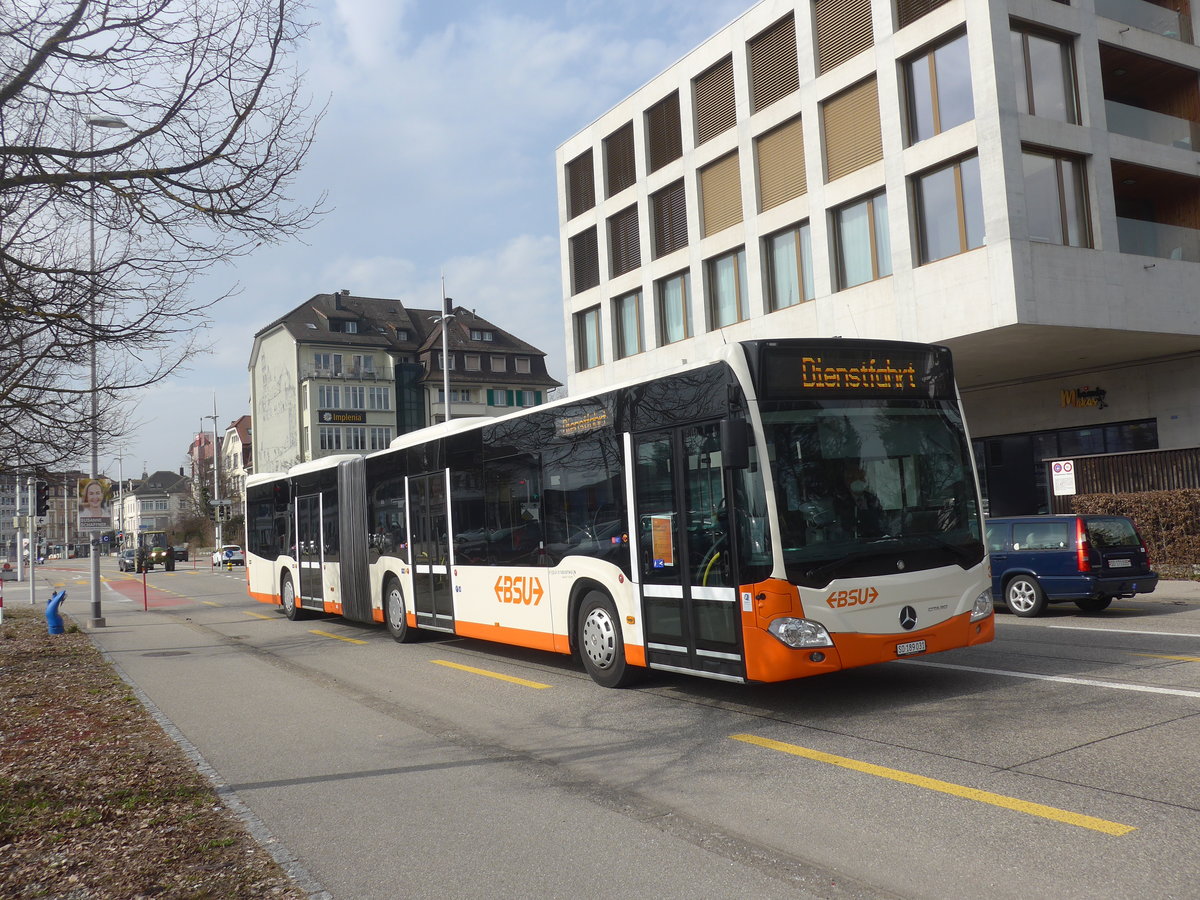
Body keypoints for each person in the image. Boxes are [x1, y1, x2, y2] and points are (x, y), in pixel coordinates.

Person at [839, 465, 885, 538]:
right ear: (846, 481)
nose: (857, 481)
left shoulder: (872, 498)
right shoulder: (840, 501)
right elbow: (843, 527)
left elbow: (882, 519)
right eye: (852, 478)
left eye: (860, 478)